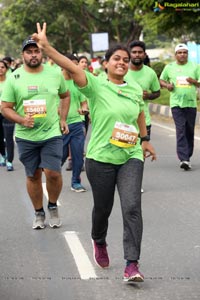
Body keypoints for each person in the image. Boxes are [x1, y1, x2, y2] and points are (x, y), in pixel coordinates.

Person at [32, 22, 156, 282]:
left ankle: (131, 264)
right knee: (103, 208)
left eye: (125, 59)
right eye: (116, 59)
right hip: (100, 158)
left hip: (130, 156)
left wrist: (144, 139)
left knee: (132, 207)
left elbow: (141, 113)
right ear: (106, 64)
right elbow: (71, 66)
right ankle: (98, 240)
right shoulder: (96, 86)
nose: (122, 63)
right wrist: (46, 47)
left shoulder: (134, 89)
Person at [1, 36, 70, 229]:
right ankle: (39, 213)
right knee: (33, 176)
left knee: (53, 173)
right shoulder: (14, 78)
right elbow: (5, 107)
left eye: (36, 51)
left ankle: (53, 206)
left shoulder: (54, 73)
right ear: (22, 55)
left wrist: (63, 118)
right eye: (29, 52)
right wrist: (21, 119)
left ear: (41, 53)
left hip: (51, 133)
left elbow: (65, 96)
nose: (33, 55)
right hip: (26, 136)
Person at [160, 43, 200, 170]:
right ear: (175, 55)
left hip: (191, 103)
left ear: (187, 54)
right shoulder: (169, 67)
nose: (182, 55)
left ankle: (187, 155)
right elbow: (161, 80)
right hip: (176, 104)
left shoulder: (195, 66)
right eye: (180, 52)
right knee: (181, 129)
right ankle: (183, 159)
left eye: (184, 52)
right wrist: (167, 86)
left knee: (189, 130)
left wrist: (193, 82)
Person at [62, 54, 88, 192]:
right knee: (60, 155)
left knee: (78, 156)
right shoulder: (56, 81)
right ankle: (53, 178)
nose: (73, 67)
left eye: (75, 64)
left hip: (77, 124)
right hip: (59, 126)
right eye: (70, 64)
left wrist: (84, 110)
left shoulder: (77, 83)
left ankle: (76, 182)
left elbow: (84, 103)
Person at [125, 41, 160, 140]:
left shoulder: (150, 73)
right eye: (134, 52)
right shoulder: (122, 71)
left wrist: (148, 96)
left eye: (140, 52)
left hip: (144, 121)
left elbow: (157, 92)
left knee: (142, 153)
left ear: (144, 55)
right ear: (129, 54)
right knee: (125, 154)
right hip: (124, 121)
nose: (137, 55)